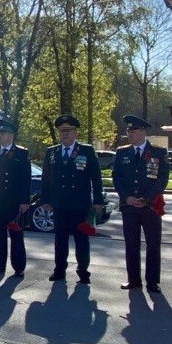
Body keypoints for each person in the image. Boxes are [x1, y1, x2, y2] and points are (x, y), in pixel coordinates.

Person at [40, 114, 104, 284]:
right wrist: (45, 200)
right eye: (62, 132)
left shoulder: (86, 151)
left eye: (68, 131)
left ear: (75, 133)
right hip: (59, 204)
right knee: (59, 239)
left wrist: (98, 201)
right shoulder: (52, 152)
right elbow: (45, 178)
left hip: (80, 204)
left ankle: (83, 271)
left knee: (81, 240)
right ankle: (59, 270)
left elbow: (96, 178)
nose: (65, 135)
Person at [112, 115, 170, 292]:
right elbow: (117, 177)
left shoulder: (158, 152)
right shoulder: (122, 152)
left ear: (143, 132)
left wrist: (147, 199)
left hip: (150, 206)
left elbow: (162, 179)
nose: (129, 133)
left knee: (153, 244)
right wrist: (126, 196)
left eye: (133, 130)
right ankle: (133, 280)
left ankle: (152, 282)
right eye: (128, 131)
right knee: (131, 244)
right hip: (129, 206)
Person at [0, 118, 32, 277]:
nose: (1, 136)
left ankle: (18, 267)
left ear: (11, 135)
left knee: (16, 236)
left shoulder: (21, 153)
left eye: (4, 133)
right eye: (0, 133)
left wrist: (25, 201)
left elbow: (26, 179)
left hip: (14, 203)